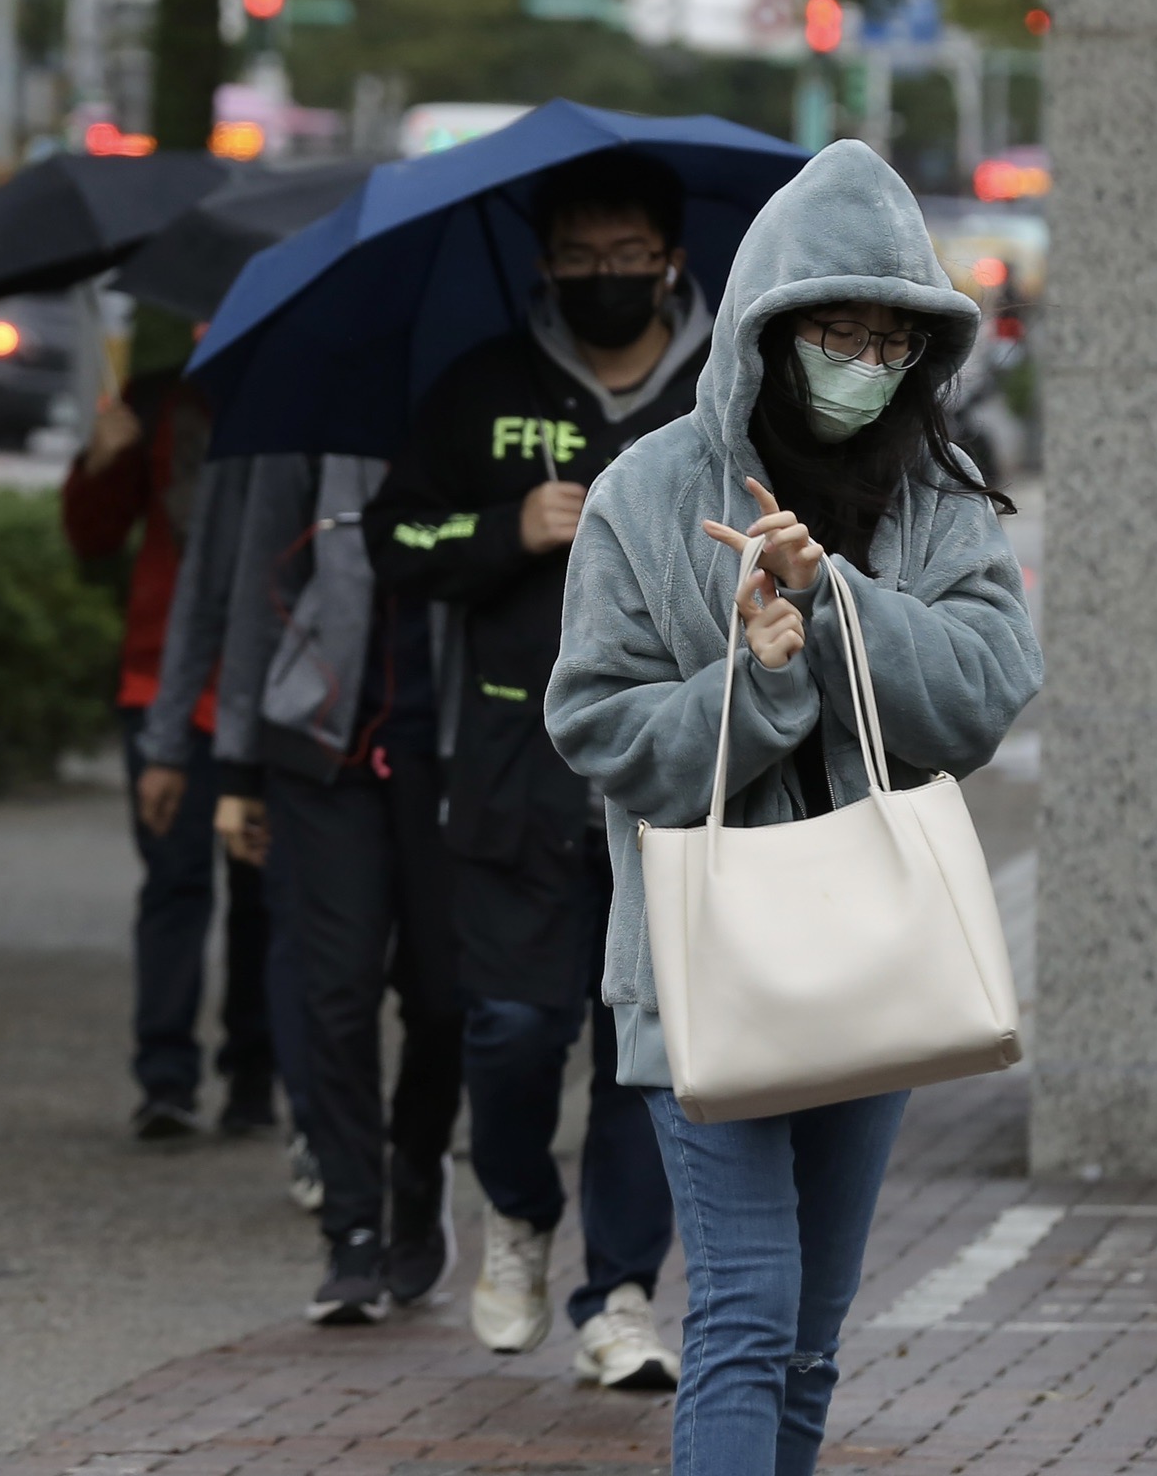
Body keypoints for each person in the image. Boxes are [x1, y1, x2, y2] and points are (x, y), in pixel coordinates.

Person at [545, 140, 1043, 1475]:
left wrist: (835, 606)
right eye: (839, 332)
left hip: (875, 959)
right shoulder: (648, 493)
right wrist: (756, 682)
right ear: (771, 327)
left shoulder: (937, 495)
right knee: (748, 1311)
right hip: (703, 963)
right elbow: (597, 729)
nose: (866, 363)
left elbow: (984, 696)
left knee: (813, 1334)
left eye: (894, 340)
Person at [364, 151, 697, 1390]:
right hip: (512, 770)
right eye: (580, 258)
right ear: (545, 266)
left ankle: (620, 1293)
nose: (606, 277)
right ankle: (515, 1207)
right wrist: (507, 527)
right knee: (508, 1029)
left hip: (668, 773)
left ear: (670, 260)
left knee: (643, 1047)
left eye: (628, 256)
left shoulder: (722, 391)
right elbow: (396, 534)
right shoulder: (485, 387)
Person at [142, 451, 464, 1325]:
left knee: (445, 997)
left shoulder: (477, 403)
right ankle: (351, 1227)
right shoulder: (304, 426)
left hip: (451, 744)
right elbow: (248, 587)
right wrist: (234, 766)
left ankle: (416, 1172)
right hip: (321, 749)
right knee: (336, 987)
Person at [60, 368, 275, 1144]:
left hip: (271, 685)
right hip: (163, 687)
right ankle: (165, 1078)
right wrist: (101, 460)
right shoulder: (155, 403)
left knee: (263, 890)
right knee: (175, 881)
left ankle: (254, 1075)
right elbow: (92, 537)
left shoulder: (294, 393)